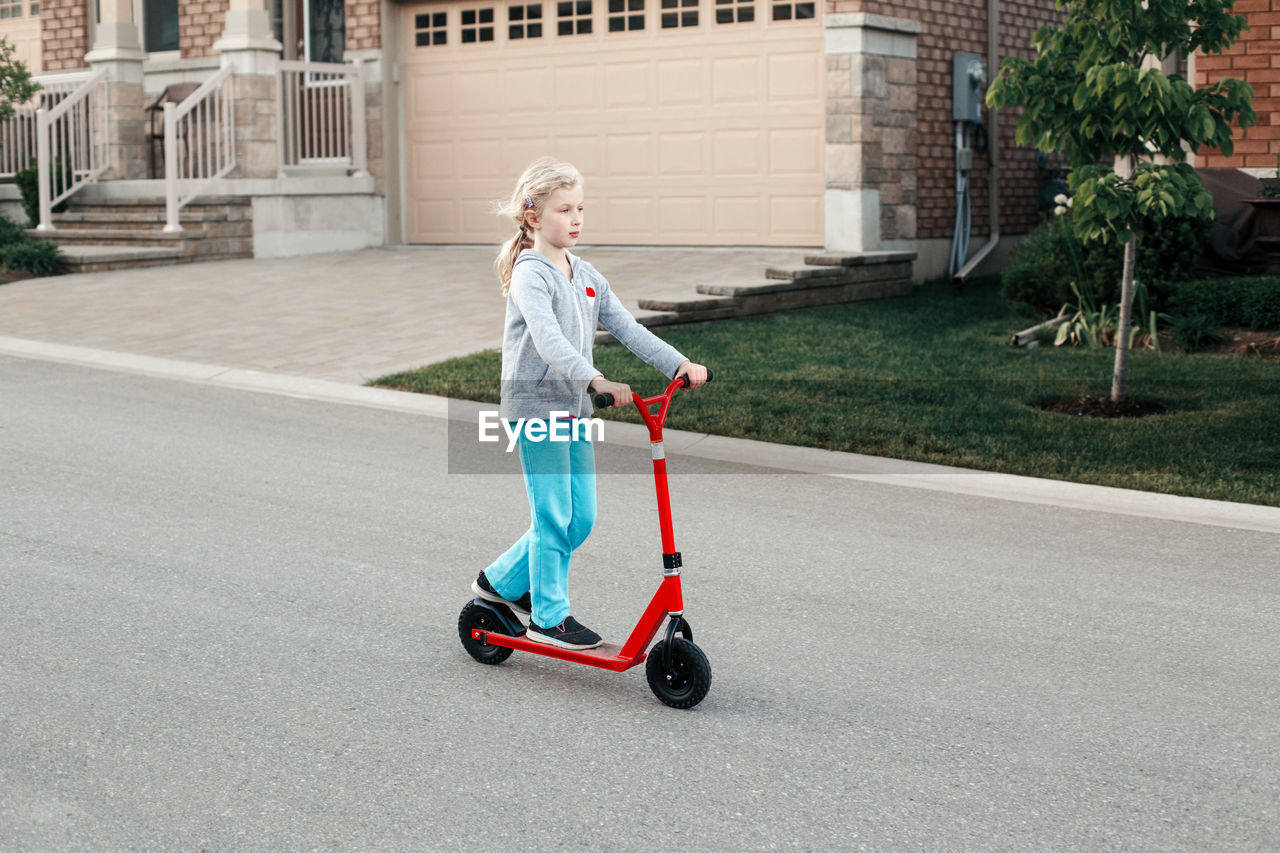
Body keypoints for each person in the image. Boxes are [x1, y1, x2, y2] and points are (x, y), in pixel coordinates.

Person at [471, 156, 708, 651]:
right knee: (554, 515)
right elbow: (549, 339)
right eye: (564, 210)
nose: (576, 219)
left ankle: (498, 582)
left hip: (575, 408)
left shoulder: (586, 274)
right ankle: (548, 616)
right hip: (536, 408)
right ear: (534, 217)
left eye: (580, 208)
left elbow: (627, 328)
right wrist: (596, 378)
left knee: (580, 520)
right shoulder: (529, 274)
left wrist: (679, 364)